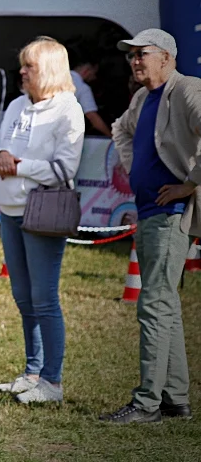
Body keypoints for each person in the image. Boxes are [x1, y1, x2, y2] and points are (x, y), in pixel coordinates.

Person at [103, 28, 200, 424]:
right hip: (150, 211)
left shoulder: (189, 89)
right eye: (131, 55)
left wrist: (190, 184)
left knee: (155, 304)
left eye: (143, 53)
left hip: (171, 214)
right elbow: (119, 129)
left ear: (167, 58)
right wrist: (135, 170)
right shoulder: (143, 97)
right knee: (165, 304)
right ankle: (174, 400)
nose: (135, 61)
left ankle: (146, 404)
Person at [0, 36, 84, 404]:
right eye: (23, 65)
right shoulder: (16, 104)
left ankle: (53, 382)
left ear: (49, 70)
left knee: (44, 298)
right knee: (23, 297)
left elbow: (64, 169)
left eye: (30, 66)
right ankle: (32, 372)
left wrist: (18, 165)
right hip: (9, 211)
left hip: (42, 214)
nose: (22, 72)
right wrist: (1, 156)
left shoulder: (68, 110)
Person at [70, 60, 112, 137]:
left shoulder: (56, 77)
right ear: (87, 70)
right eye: (94, 74)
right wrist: (111, 137)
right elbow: (92, 116)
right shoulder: (82, 87)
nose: (94, 78)